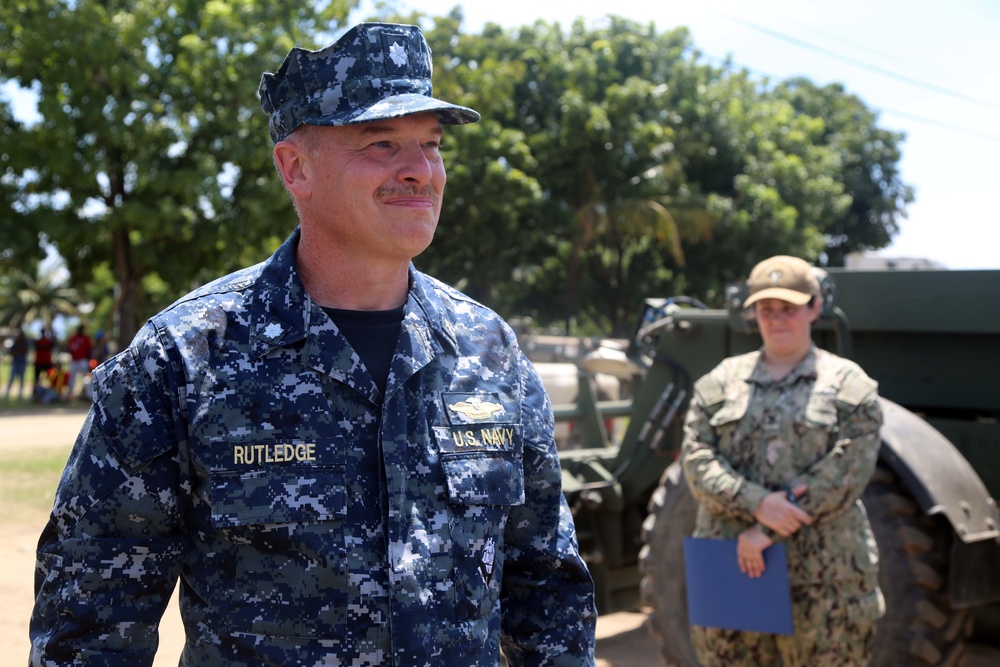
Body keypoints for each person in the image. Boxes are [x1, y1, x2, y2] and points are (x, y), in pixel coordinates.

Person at [29, 22, 597, 666]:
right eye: (382, 143)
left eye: (431, 145)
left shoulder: (488, 350)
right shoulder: (184, 358)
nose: (420, 170)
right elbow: (90, 621)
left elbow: (548, 590)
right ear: (295, 167)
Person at [680, 255, 884, 667]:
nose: (777, 320)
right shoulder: (718, 383)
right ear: (753, 313)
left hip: (826, 581)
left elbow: (847, 472)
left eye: (789, 309)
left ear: (814, 307)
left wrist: (766, 530)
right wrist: (756, 502)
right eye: (766, 309)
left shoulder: (851, 388)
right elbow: (696, 460)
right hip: (735, 569)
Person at [65, 324, 93, 400]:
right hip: (74, 360)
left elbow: (89, 349)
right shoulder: (73, 338)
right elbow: (69, 348)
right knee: (72, 378)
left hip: (82, 360)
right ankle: (70, 394)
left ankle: (89, 395)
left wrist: (87, 359)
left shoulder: (86, 338)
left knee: (86, 377)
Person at [5, 326, 29, 401]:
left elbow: (23, 351)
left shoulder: (25, 343)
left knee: (22, 379)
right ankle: (7, 394)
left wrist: (17, 351)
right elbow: (12, 352)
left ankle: (20, 395)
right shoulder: (15, 342)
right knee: (11, 379)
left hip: (22, 364)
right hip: (15, 363)